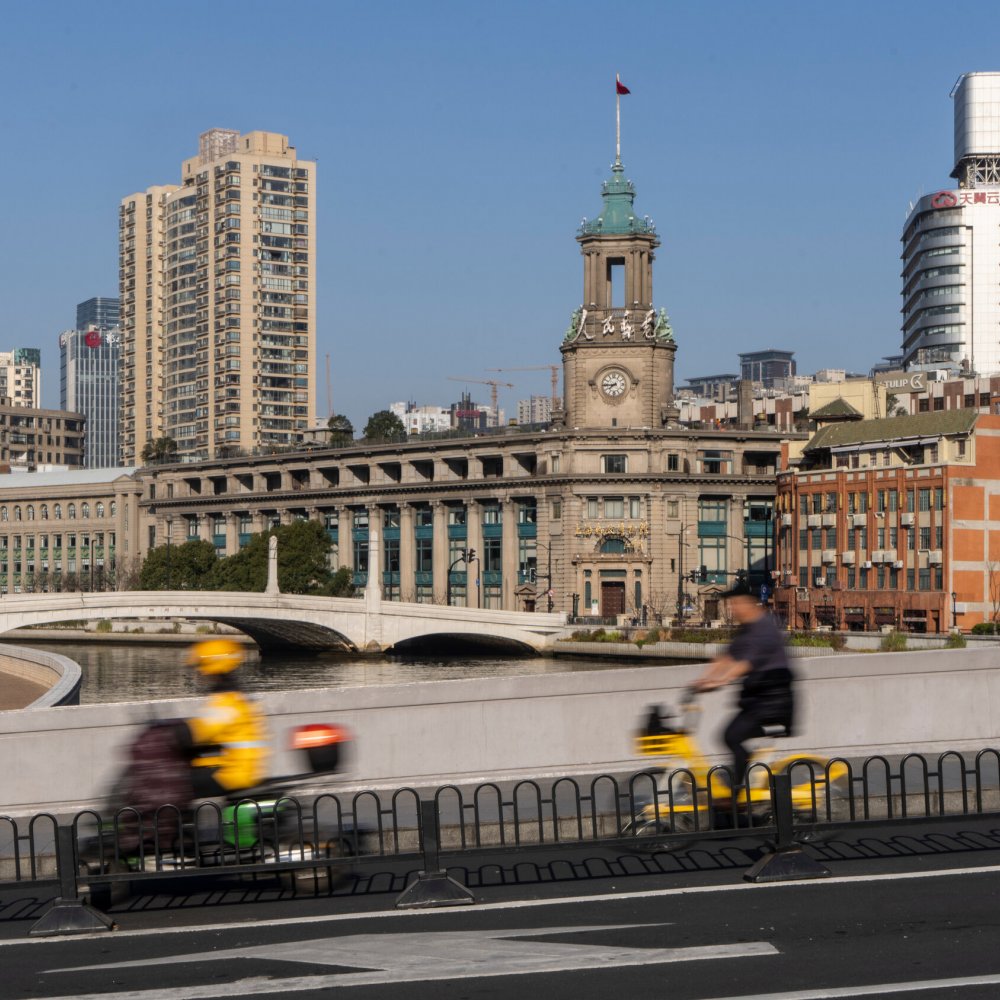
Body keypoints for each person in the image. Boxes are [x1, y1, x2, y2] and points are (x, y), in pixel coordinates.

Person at [694, 580, 794, 791]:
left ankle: (736, 792)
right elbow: (727, 656)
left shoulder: (765, 628)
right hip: (757, 701)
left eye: (735, 604)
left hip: (774, 701)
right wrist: (702, 679)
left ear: (749, 603)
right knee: (730, 736)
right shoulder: (746, 630)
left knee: (732, 736)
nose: (732, 609)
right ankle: (742, 779)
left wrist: (719, 681)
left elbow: (746, 663)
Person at [182, 638, 270, 798]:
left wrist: (172, 733)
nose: (199, 672)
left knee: (172, 785)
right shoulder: (238, 697)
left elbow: (198, 732)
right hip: (239, 772)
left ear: (212, 667)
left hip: (229, 776)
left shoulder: (226, 703)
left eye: (200, 666)